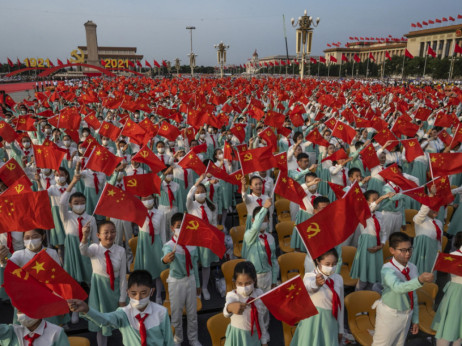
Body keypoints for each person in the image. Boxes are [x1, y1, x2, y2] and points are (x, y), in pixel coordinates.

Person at [68, 270, 174, 346]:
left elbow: (168, 341)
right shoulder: (124, 313)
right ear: (127, 293)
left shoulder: (161, 312)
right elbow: (105, 319)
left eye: (143, 293)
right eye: (134, 293)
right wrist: (87, 309)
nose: (138, 298)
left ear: (152, 292)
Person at [372, 232, 434, 346]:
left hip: (407, 314)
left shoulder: (413, 267)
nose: (407, 254)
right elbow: (398, 288)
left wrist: (415, 318)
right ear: (392, 250)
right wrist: (419, 280)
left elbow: (413, 295)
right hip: (390, 315)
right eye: (403, 250)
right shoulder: (387, 269)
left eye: (410, 249)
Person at [80, 220, 128, 346]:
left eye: (113, 232)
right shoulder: (94, 248)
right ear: (98, 235)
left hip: (115, 290)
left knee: (121, 320)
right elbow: (83, 251)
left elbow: (123, 276)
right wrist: (85, 236)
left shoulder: (120, 250)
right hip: (99, 291)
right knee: (101, 322)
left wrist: (122, 298)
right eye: (105, 232)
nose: (109, 235)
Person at [161, 213, 202, 346]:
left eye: (183, 226)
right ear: (172, 228)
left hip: (190, 280)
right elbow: (165, 258)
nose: (181, 229)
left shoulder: (192, 245)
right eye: (178, 226)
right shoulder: (169, 246)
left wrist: (198, 283)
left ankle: (193, 338)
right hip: (176, 282)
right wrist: (165, 259)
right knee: (176, 313)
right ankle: (177, 338)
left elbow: (194, 265)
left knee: (192, 312)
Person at [291, 248, 344, 345]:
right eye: (327, 264)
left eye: (334, 264)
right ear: (318, 261)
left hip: (330, 324)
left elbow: (341, 306)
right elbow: (309, 287)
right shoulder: (309, 276)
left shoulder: (338, 279)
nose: (331, 267)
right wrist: (317, 283)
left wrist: (341, 329)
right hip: (312, 324)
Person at [350, 190, 394, 291]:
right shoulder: (363, 211)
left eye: (377, 199)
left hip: (377, 246)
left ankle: (369, 296)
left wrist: (382, 244)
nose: (377, 202)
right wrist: (382, 198)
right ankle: (357, 296)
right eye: (374, 200)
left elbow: (384, 232)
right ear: (366, 202)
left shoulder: (379, 215)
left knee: (373, 276)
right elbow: (370, 208)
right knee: (363, 278)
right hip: (366, 245)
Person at [223, 261, 269, 346]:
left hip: (254, 337)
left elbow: (260, 320)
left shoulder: (259, 294)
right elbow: (226, 313)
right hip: (238, 338)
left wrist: (264, 340)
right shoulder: (233, 295)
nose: (244, 287)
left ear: (254, 280)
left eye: (248, 283)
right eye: (240, 283)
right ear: (235, 282)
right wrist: (230, 307)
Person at [431, 231, 462, 346]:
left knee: (459, 329)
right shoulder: (455, 256)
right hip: (456, 293)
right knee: (448, 325)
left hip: (455, 291)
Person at [135, 195, 167, 304]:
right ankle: (146, 295)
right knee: (145, 270)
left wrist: (164, 247)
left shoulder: (160, 213)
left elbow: (163, 232)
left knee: (158, 269)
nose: (147, 201)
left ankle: (158, 294)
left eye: (149, 198)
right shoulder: (139, 212)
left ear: (154, 199)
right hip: (144, 243)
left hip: (156, 243)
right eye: (144, 199)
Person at [241, 199, 278, 293]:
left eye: (265, 219)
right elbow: (256, 227)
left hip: (268, 275)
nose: (263, 222)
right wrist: (264, 208)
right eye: (261, 219)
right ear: (253, 220)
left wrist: (274, 280)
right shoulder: (249, 235)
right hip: (254, 276)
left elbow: (273, 260)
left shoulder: (270, 238)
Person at [409, 187, 443, 276]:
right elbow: (423, 211)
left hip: (433, 251)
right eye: (432, 208)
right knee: (419, 272)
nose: (435, 210)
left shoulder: (439, 223)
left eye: (437, 208)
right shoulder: (419, 219)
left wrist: (439, 252)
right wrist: (430, 196)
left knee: (430, 271)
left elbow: (439, 240)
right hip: (421, 251)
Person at [0, 310, 70, 346]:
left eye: (28, 309)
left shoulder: (56, 332)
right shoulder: (12, 331)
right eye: (19, 311)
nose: (23, 314)